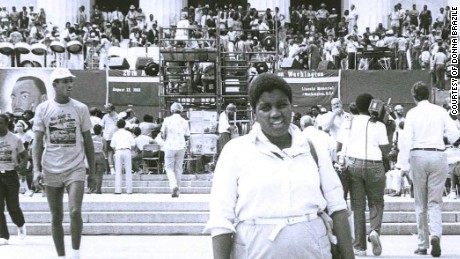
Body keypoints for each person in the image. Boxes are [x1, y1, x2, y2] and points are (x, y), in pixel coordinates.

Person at [205, 74, 354, 259]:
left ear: (291, 106)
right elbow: (221, 218)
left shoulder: (312, 149)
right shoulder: (235, 151)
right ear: (255, 112)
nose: (275, 113)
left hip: (314, 252)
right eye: (265, 107)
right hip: (254, 252)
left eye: (282, 104)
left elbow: (337, 207)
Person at [32, 68, 95, 259]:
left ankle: (75, 254)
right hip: (51, 167)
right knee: (56, 216)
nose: (69, 84)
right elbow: (37, 142)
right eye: (64, 81)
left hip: (75, 166)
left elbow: (88, 140)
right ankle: (61, 256)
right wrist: (36, 170)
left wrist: (91, 171)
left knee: (75, 211)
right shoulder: (43, 109)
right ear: (54, 85)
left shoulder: (80, 108)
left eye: (70, 81)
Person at [400, 82, 459, 257]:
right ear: (429, 95)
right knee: (434, 202)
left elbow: (406, 140)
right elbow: (455, 134)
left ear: (414, 96)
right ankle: (435, 235)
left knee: (420, 203)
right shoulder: (440, 111)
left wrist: (404, 164)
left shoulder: (412, 113)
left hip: (418, 155)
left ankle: (422, 243)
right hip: (438, 155)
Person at [336, 93, 390, 256]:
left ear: (357, 107)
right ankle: (374, 230)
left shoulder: (348, 122)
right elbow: (385, 151)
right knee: (376, 202)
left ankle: (359, 247)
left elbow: (339, 146)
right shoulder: (379, 125)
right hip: (374, 165)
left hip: (354, 164)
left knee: (357, 205)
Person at [0, 114, 27, 246]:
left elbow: (25, 156)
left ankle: (20, 224)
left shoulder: (15, 139)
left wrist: (21, 166)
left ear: (6, 124)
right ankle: (3, 235)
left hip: (11, 175)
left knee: (13, 207)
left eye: (0, 123)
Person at [160, 102, 190, 198]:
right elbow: (187, 135)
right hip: (181, 146)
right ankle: (178, 190)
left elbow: (162, 134)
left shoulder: (167, 120)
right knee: (178, 168)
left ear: (172, 110)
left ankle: (173, 186)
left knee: (169, 168)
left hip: (169, 146)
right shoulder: (185, 121)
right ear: (181, 111)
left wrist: (165, 138)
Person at [110, 119, 135, 194]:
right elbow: (133, 144)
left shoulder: (115, 134)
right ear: (125, 125)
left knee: (118, 171)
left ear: (117, 125)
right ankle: (129, 190)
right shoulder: (128, 133)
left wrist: (116, 150)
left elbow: (112, 145)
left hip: (118, 151)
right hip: (127, 150)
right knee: (128, 171)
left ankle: (118, 190)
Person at [89, 124, 105, 194]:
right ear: (101, 130)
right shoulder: (103, 139)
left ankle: (91, 189)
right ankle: (98, 189)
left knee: (92, 173)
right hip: (100, 155)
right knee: (99, 174)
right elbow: (105, 148)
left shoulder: (91, 138)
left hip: (92, 156)